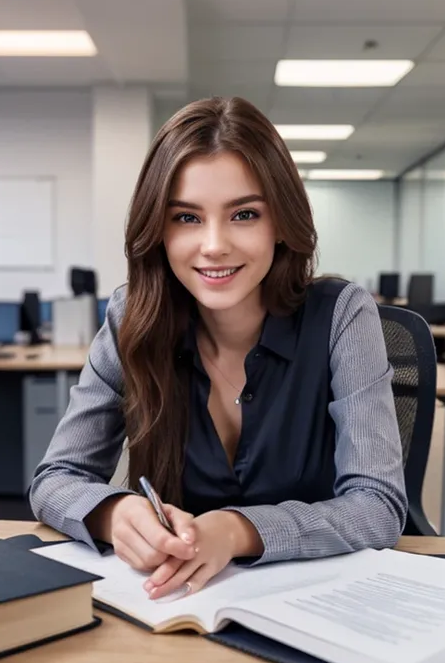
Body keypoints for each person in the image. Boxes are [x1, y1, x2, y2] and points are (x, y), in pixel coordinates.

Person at [30, 96, 407, 601]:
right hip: (182, 606)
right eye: (186, 218)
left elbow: (378, 507)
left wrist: (235, 531)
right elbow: (56, 478)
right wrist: (113, 513)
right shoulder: (132, 319)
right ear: (157, 231)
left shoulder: (342, 314)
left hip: (322, 603)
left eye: (244, 214)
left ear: (281, 225)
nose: (213, 244)